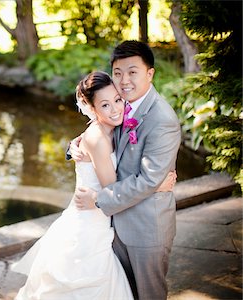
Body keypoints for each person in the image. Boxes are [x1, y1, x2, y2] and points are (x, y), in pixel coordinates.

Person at [12, 70, 175, 299]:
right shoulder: (98, 138)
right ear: (93, 109)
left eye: (117, 100)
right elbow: (112, 188)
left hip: (105, 217)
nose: (116, 108)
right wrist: (155, 185)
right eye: (105, 105)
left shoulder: (116, 126)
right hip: (91, 220)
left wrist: (74, 145)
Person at [72, 41, 181, 300]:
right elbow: (99, 130)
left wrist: (98, 200)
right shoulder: (121, 105)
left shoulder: (162, 119)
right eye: (118, 73)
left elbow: (148, 180)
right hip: (114, 227)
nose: (124, 80)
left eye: (133, 72)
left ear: (149, 73)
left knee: (149, 295)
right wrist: (76, 146)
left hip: (145, 229)